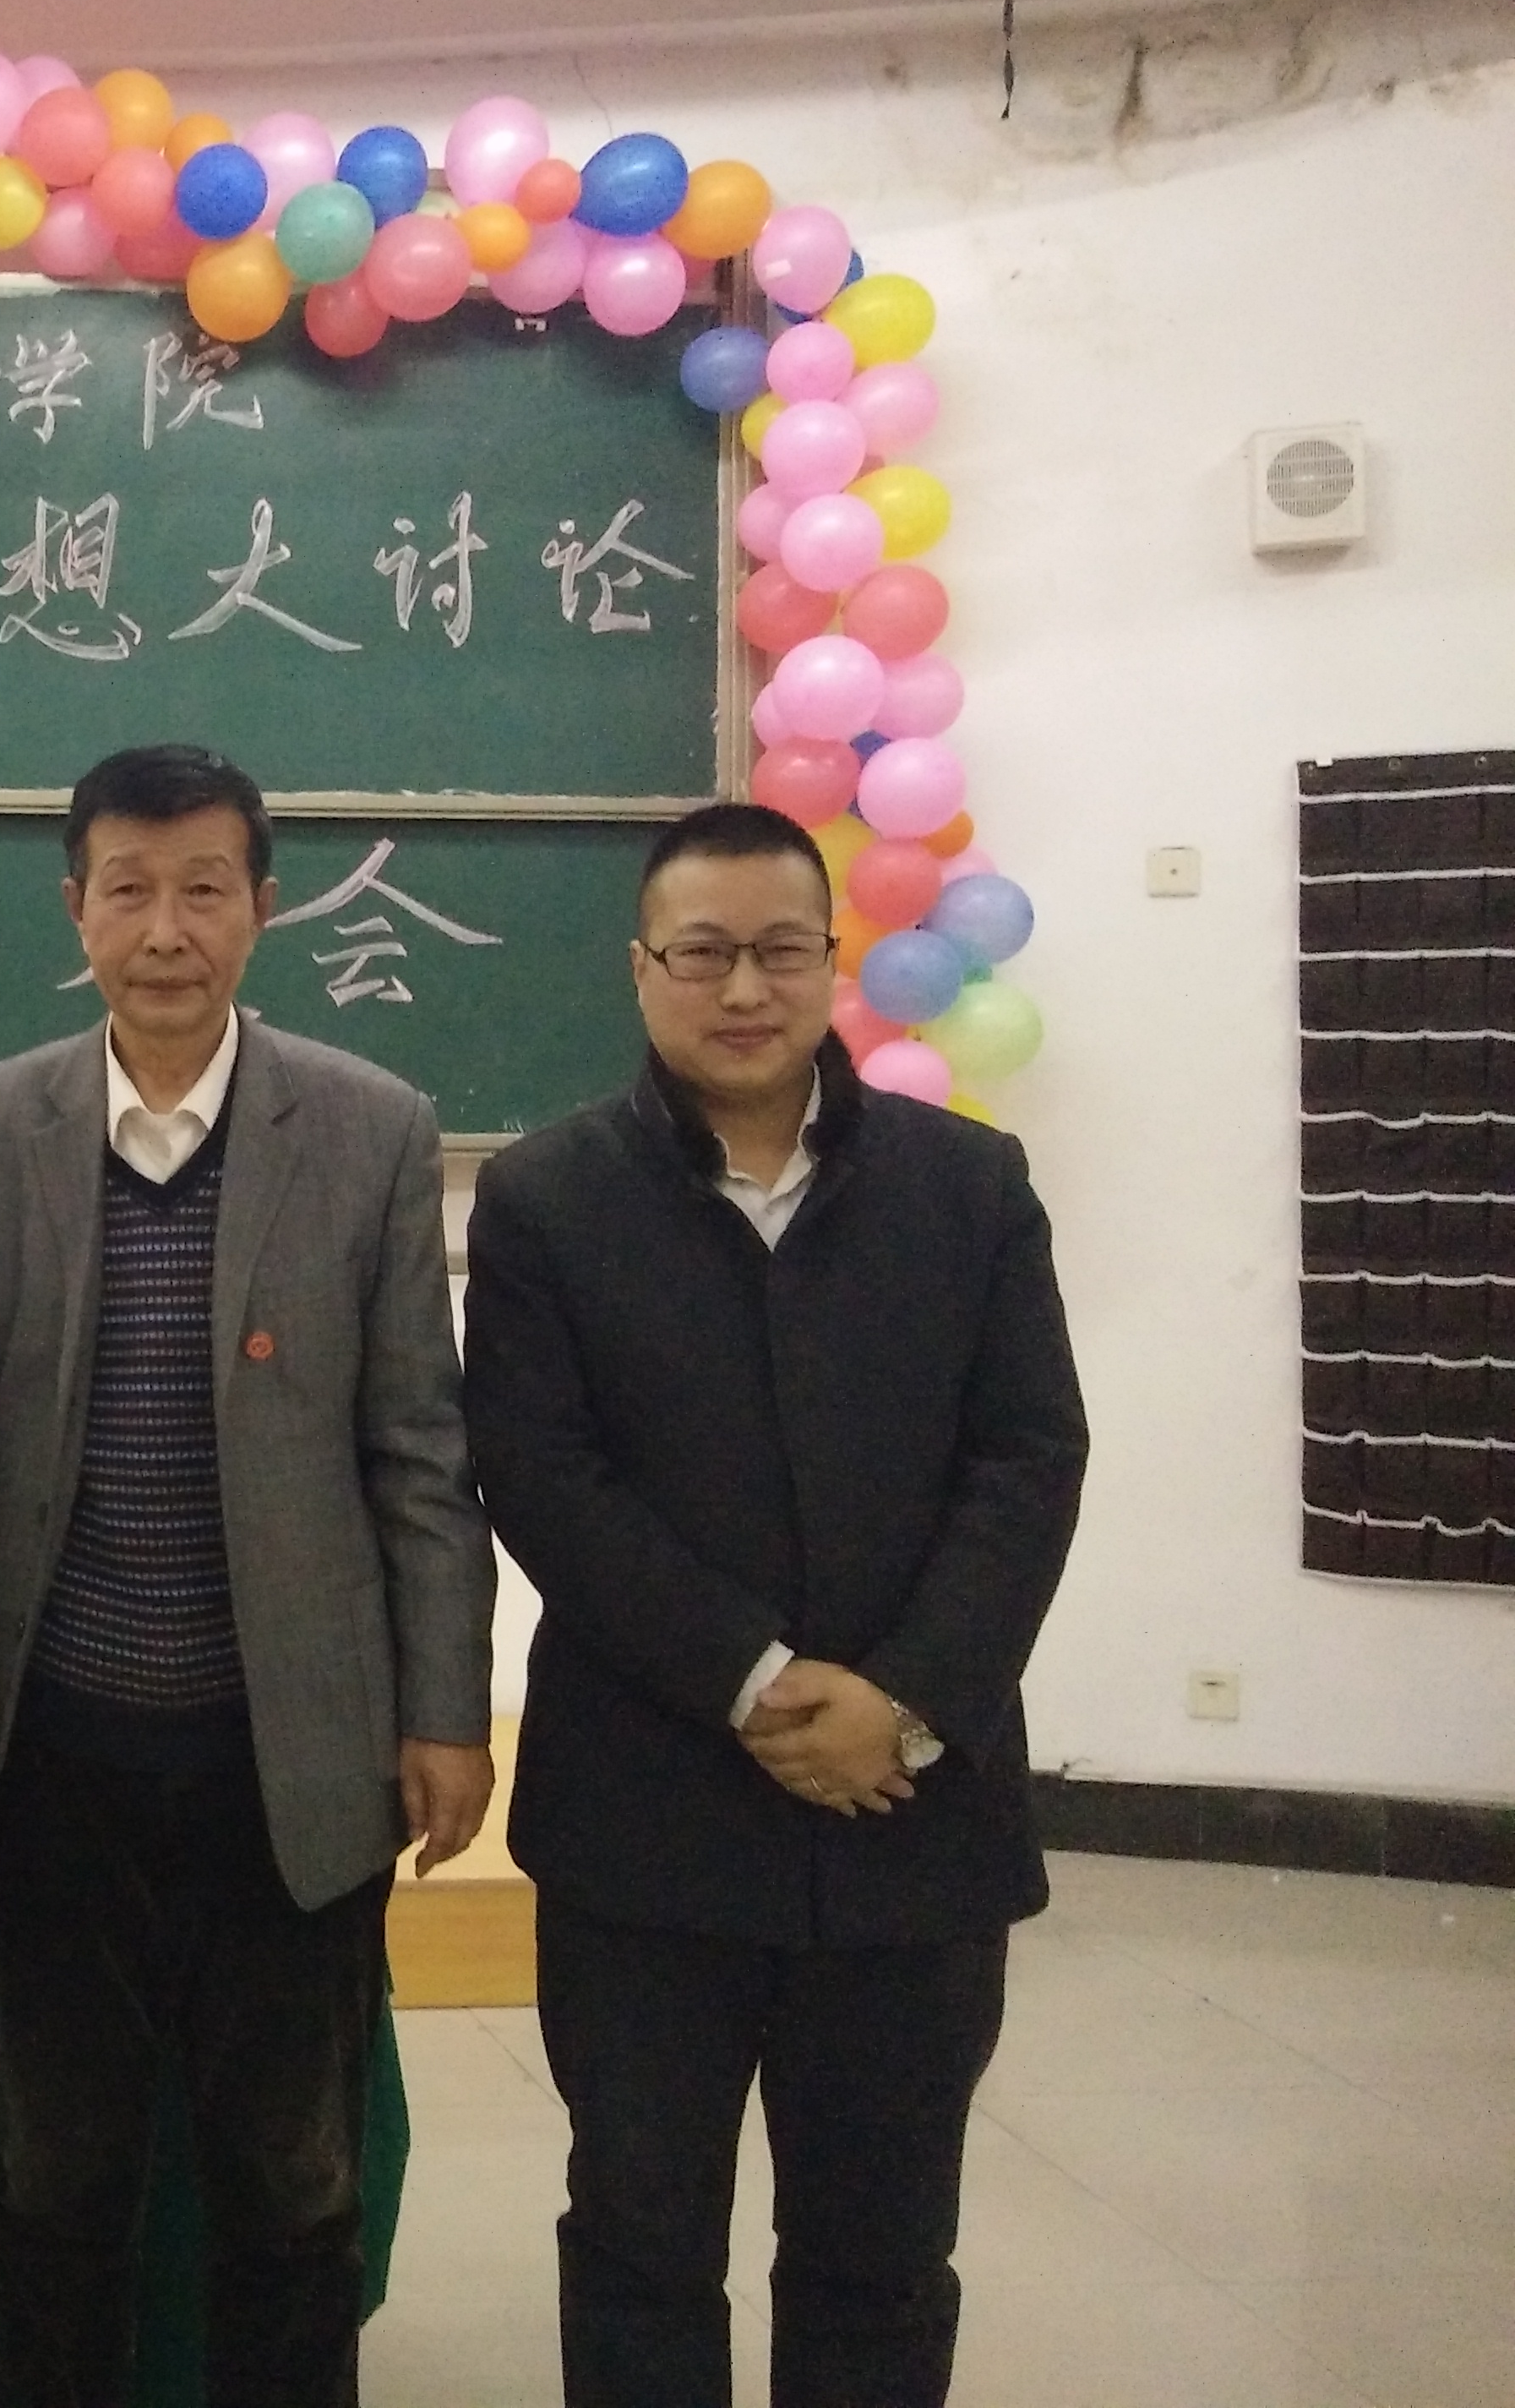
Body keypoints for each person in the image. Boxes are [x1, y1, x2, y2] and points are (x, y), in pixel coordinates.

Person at [459, 800, 1088, 2408]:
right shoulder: (546, 1198)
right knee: (640, 2250)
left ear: (832, 960)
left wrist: (909, 1697)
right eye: (704, 954)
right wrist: (752, 1681)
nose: (745, 988)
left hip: (909, 1825)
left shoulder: (969, 1185)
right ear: (642, 970)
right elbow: (543, 1477)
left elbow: (1028, 1459)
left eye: (782, 951)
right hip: (647, 1834)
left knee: (883, 2262)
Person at [0, 744, 497, 2408]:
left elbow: (419, 1452)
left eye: (202, 890)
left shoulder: (370, 1128)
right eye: (128, 891)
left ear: (263, 906)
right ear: (75, 907)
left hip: (289, 1761)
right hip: (54, 1755)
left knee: (293, 2189)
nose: (164, 930)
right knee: (54, 2186)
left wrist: (448, 1713)